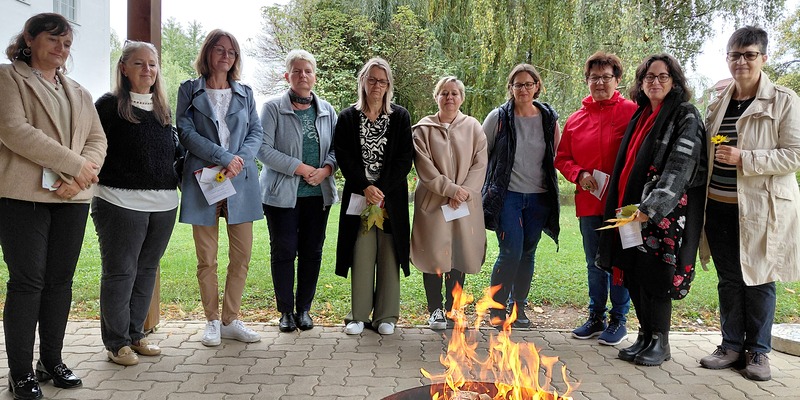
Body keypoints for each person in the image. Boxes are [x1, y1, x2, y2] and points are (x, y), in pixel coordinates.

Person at [0, 13, 107, 399]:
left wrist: (79, 178)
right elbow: (14, 130)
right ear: (30, 38)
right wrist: (76, 166)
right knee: (27, 282)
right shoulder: (8, 77)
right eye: (53, 40)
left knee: (60, 282)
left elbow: (97, 139)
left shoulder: (78, 90)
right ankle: (20, 373)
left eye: (67, 44)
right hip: (22, 196)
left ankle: (51, 361)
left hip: (71, 197)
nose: (61, 48)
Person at [698, 26, 800, 381]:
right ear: (727, 58)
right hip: (718, 206)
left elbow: (794, 155)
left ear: (763, 58)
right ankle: (730, 346)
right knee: (729, 279)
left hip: (760, 209)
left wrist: (745, 158)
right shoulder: (718, 103)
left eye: (749, 54)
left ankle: (758, 352)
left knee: (758, 278)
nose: (741, 61)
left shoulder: (784, 100)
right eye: (735, 55)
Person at [596, 53, 707, 367]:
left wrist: (651, 207)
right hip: (630, 210)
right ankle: (645, 335)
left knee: (656, 274)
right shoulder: (642, 113)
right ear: (641, 82)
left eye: (662, 76)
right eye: (649, 77)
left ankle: (660, 341)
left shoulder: (684, 114)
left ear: (674, 81)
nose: (655, 82)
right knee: (634, 270)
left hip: (662, 214)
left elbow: (681, 166)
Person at [93, 41, 178, 366]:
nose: (148, 70)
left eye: (152, 64)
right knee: (121, 273)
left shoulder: (162, 109)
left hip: (163, 204)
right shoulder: (108, 105)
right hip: (119, 202)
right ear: (124, 68)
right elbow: (93, 147)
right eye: (139, 63)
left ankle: (136, 334)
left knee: (146, 271)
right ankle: (117, 343)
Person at [176, 29, 263, 346]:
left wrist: (238, 160)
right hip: (204, 180)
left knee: (241, 256)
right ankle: (212, 321)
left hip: (240, 181)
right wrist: (224, 157)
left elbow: (256, 132)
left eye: (231, 51)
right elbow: (185, 132)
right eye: (219, 49)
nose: (226, 56)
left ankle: (230, 320)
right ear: (207, 53)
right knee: (207, 258)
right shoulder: (189, 90)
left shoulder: (246, 93)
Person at [555, 52, 636, 345]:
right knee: (595, 262)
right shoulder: (575, 120)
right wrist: (579, 174)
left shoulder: (633, 112)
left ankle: (619, 320)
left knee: (621, 262)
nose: (600, 83)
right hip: (590, 203)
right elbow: (562, 158)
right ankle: (596, 317)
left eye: (606, 77)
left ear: (617, 79)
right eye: (594, 78)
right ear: (586, 81)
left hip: (625, 204)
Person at [258, 49, 338, 333]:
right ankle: (285, 312)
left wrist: (326, 169)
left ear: (315, 76)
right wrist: (300, 168)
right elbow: (262, 149)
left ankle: (304, 309)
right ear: (287, 76)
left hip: (318, 196)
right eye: (296, 71)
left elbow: (337, 149)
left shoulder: (327, 110)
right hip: (281, 196)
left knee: (311, 252)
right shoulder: (272, 109)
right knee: (283, 251)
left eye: (308, 71)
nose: (303, 75)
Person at [334, 57, 413, 336]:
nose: (377, 85)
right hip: (359, 197)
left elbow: (405, 158)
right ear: (363, 82)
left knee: (390, 255)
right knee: (361, 253)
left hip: (391, 198)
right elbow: (343, 156)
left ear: (388, 85)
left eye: (382, 80)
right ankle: (358, 316)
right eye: (372, 79)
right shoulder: (347, 117)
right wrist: (365, 187)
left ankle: (386, 316)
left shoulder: (400, 116)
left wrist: (381, 189)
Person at [481, 63, 561, 329]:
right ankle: (496, 308)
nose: (523, 89)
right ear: (511, 88)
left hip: (539, 197)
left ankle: (518, 307)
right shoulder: (498, 117)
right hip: (507, 196)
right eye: (518, 85)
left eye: (528, 84)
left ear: (537, 86)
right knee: (510, 252)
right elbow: (481, 154)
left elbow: (558, 154)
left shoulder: (549, 119)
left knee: (527, 252)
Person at [410, 76, 488, 330]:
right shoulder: (422, 130)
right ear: (436, 97)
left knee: (459, 254)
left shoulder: (474, 127)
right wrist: (451, 190)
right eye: (444, 93)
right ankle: (435, 310)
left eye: (454, 93)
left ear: (461, 98)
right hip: (433, 203)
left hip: (464, 203)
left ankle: (454, 309)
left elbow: (480, 163)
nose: (449, 98)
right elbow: (425, 167)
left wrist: (464, 192)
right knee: (434, 255)